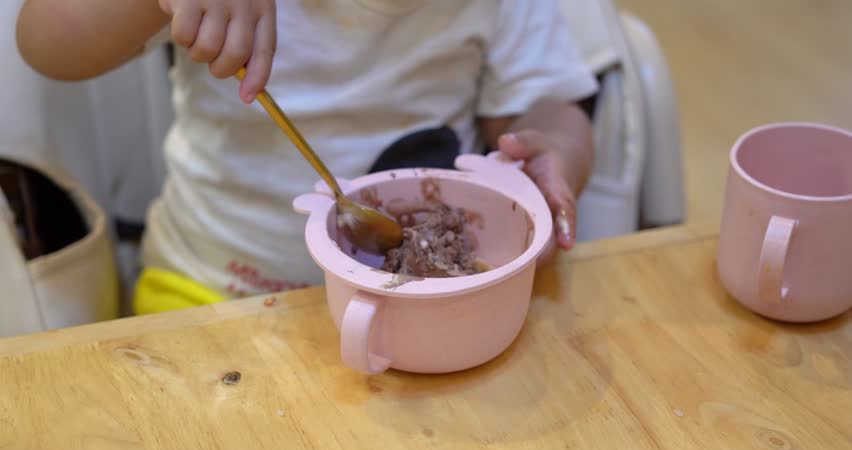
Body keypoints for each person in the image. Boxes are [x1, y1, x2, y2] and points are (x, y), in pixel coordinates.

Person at [16, 0, 598, 314]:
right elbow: (47, 40)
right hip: (209, 289)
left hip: (423, 308)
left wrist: (555, 151)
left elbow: (544, 107)